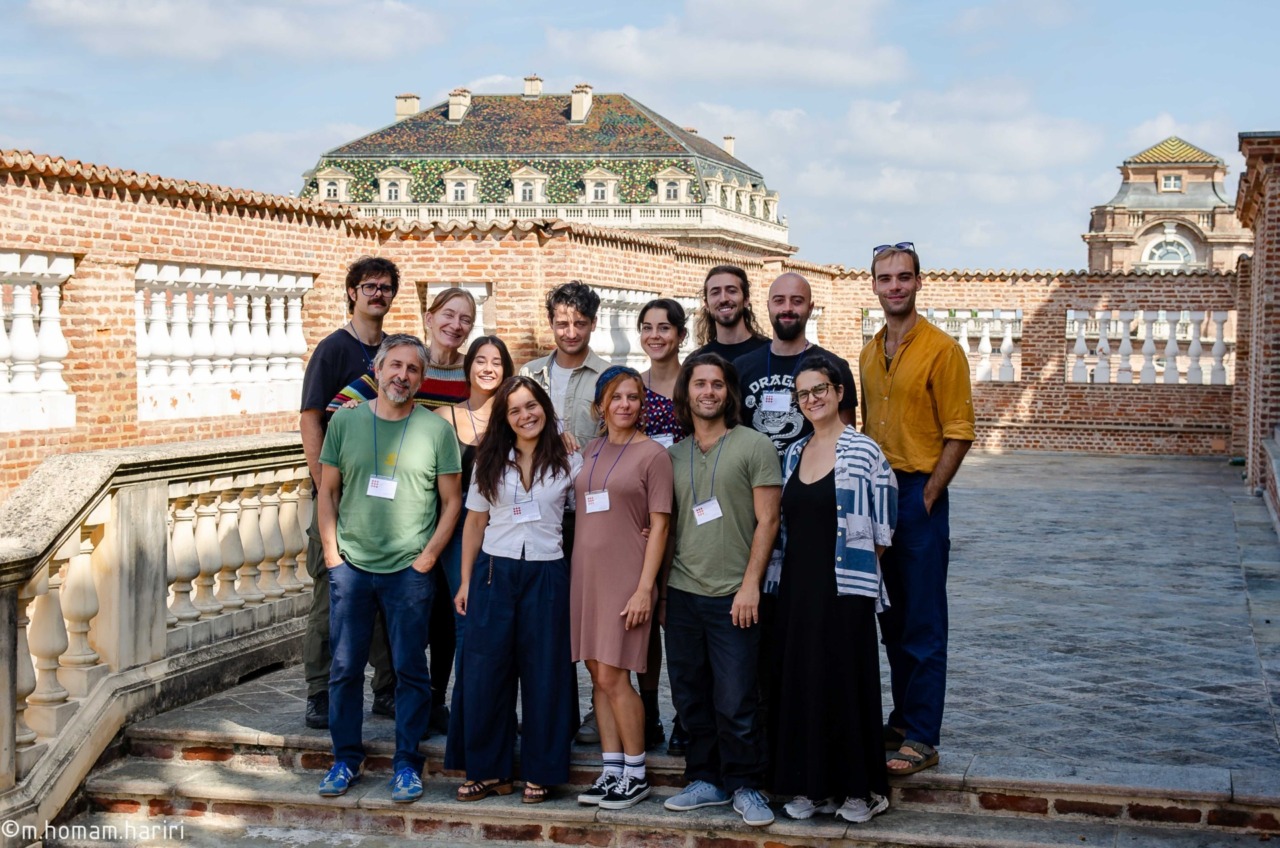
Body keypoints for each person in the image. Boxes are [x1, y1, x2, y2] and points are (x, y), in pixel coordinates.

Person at [314, 334, 462, 803]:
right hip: (352, 566)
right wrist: (332, 554)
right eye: (394, 365)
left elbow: (452, 501)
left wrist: (428, 558)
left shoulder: (436, 429)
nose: (402, 375)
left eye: (413, 369)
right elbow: (327, 491)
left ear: (422, 377)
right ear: (377, 371)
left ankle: (406, 763)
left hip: (408, 570)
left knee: (409, 670)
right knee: (344, 668)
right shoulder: (346, 423)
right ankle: (345, 759)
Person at [329, 286, 478, 731]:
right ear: (430, 317)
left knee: (441, 621)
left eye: (465, 319)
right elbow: (339, 411)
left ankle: (429, 706)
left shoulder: (472, 377)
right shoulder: (398, 366)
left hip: (443, 519)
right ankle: (386, 699)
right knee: (371, 634)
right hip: (384, 522)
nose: (455, 325)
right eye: (448, 315)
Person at [860, 242, 974, 776]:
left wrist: (929, 495)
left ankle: (924, 735)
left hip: (919, 492)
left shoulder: (942, 350)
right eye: (886, 278)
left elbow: (960, 432)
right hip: (877, 494)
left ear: (918, 282)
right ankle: (903, 717)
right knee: (889, 614)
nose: (895, 287)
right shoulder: (869, 351)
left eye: (904, 277)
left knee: (924, 620)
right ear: (874, 285)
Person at [769, 356, 896, 823]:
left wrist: (857, 581)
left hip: (846, 589)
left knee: (846, 685)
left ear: (839, 391)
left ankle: (859, 791)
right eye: (803, 394)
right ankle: (810, 786)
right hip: (797, 590)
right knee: (802, 684)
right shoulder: (792, 452)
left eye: (820, 389)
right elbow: (784, 526)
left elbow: (883, 529)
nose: (812, 399)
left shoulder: (864, 451)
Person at [661, 353, 781, 828]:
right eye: (699, 384)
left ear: (729, 392)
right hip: (683, 592)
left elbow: (769, 520)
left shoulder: (755, 445)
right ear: (686, 392)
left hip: (735, 592)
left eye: (716, 384)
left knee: (736, 698)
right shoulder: (671, 454)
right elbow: (666, 529)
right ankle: (704, 779)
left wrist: (751, 585)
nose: (707, 392)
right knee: (690, 695)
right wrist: (664, 593)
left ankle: (746, 784)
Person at [449, 376, 581, 804]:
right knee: (486, 672)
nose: (526, 415)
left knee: (545, 672)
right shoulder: (490, 460)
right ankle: (489, 771)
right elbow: (473, 522)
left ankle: (542, 770)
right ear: (506, 418)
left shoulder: (569, 459)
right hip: (492, 572)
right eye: (516, 410)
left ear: (545, 406)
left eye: (532, 406)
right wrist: (466, 580)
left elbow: (590, 514)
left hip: (547, 572)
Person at [298, 256, 399, 730]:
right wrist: (324, 489)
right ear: (353, 292)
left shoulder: (396, 353)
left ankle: (386, 689)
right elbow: (311, 418)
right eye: (369, 286)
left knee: (382, 595)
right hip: (337, 494)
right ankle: (320, 692)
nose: (377, 294)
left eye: (385, 287)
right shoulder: (333, 349)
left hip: (383, 499)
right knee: (331, 596)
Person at [572, 366, 673, 810]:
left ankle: (636, 772)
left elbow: (661, 526)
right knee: (596, 674)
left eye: (633, 397)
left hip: (626, 576)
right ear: (601, 406)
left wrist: (644, 589)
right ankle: (612, 769)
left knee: (615, 675)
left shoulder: (653, 455)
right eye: (616, 397)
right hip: (585, 576)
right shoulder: (591, 449)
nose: (625, 404)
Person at [519, 280, 609, 744]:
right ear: (550, 322)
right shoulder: (530, 374)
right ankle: (556, 711)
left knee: (594, 615)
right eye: (561, 322)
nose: (569, 331)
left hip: (593, 513)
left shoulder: (608, 377)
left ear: (593, 324)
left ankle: (600, 709)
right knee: (549, 619)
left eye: (579, 322)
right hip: (540, 514)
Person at [435, 335, 514, 738]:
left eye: (496, 361)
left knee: (497, 625)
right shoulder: (445, 418)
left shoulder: (514, 418)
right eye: (480, 360)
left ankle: (493, 710)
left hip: (504, 533)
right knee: (462, 621)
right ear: (468, 368)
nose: (488, 368)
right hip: (457, 533)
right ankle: (461, 712)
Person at [636, 298, 688, 753]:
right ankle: (649, 713)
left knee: (686, 620)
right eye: (648, 328)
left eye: (665, 328)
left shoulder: (697, 385)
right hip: (646, 517)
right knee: (647, 618)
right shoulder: (634, 390)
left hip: (692, 515)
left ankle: (688, 716)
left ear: (680, 336)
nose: (656, 335)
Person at [734, 272, 857, 458]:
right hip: (755, 482)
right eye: (779, 301)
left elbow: (846, 442)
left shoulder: (835, 367)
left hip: (812, 481)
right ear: (768, 306)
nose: (787, 308)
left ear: (810, 308)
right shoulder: (741, 367)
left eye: (797, 301)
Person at [689, 264, 769, 362]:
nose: (723, 299)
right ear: (706, 304)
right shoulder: (696, 361)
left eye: (731, 291)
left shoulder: (771, 353)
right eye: (715, 293)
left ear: (746, 300)